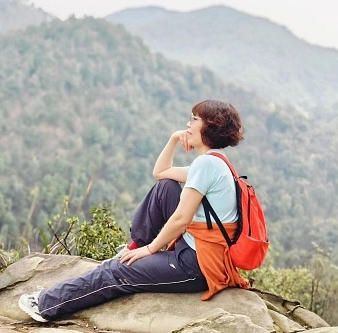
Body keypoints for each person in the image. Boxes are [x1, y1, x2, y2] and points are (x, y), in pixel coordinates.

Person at [18, 100, 250, 322]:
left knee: (117, 270)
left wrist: (151, 250)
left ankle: (46, 305)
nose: (188, 124)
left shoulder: (206, 165)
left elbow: (181, 219)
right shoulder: (215, 161)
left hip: (197, 265)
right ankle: (134, 247)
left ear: (210, 127)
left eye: (194, 119)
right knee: (166, 187)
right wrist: (173, 139)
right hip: (197, 248)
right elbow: (161, 173)